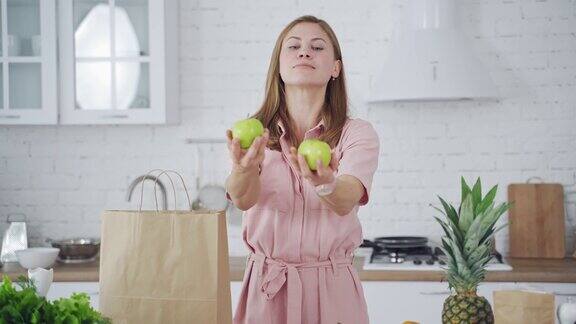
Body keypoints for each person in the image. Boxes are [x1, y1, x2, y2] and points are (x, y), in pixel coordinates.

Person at [225, 15, 380, 324]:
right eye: (293, 46)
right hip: (267, 290)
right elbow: (242, 200)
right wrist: (244, 169)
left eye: (317, 47)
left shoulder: (356, 134)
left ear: (335, 68)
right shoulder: (255, 134)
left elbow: (347, 196)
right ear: (279, 67)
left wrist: (326, 184)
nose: (304, 52)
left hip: (333, 291)